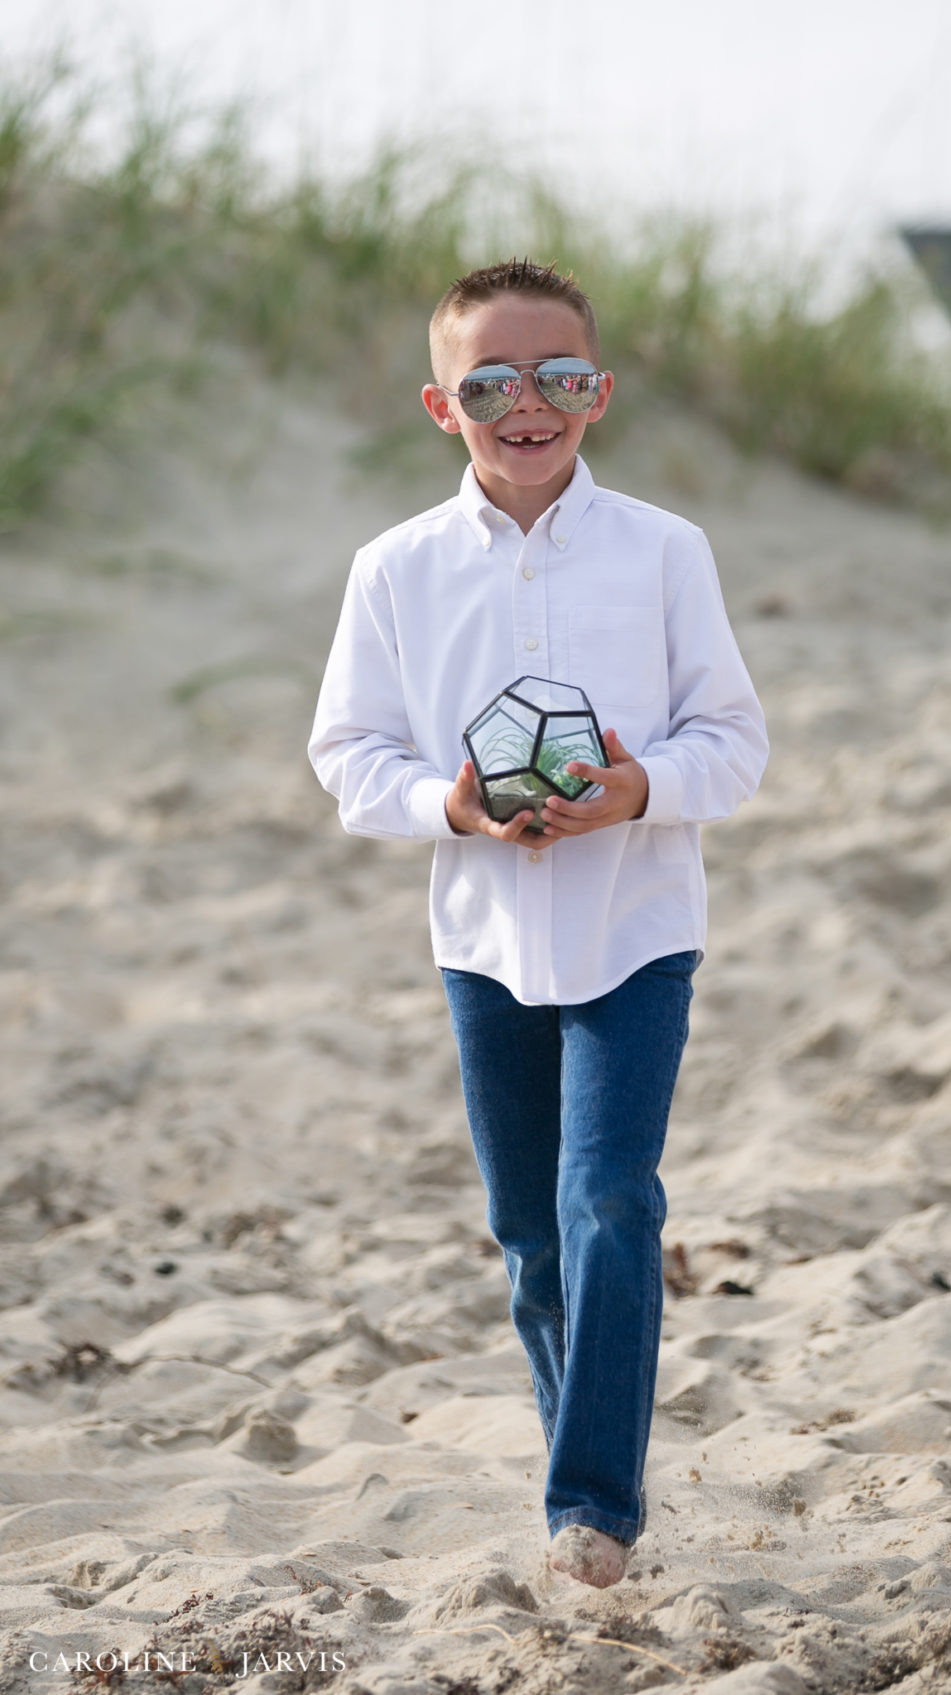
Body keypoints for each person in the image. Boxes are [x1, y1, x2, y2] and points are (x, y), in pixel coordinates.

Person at [308, 257, 768, 1589]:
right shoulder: (393, 569)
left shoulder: (664, 552)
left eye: (557, 376)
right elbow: (348, 757)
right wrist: (448, 811)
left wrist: (638, 788)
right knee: (529, 1236)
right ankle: (589, 1443)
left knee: (609, 1199)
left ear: (598, 393)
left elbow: (732, 744)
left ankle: (593, 1506)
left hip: (638, 924)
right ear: (438, 405)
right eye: (488, 380)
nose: (526, 401)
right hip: (484, 940)